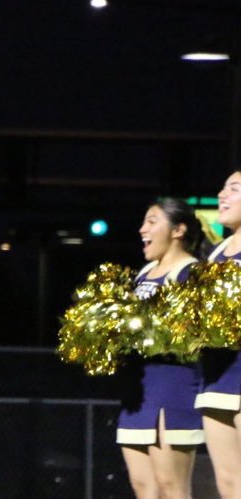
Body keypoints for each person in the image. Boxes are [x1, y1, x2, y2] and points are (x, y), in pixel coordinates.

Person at [112, 198, 208, 499]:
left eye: (152, 221)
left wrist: (146, 329)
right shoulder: (144, 272)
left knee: (171, 487)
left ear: (178, 230)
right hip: (138, 388)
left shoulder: (191, 272)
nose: (143, 229)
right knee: (145, 488)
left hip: (173, 386)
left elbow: (195, 334)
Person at [200, 171, 241, 496]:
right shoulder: (215, 252)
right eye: (222, 187)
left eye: (234, 189)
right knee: (227, 483)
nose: (221, 195)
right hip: (216, 375)